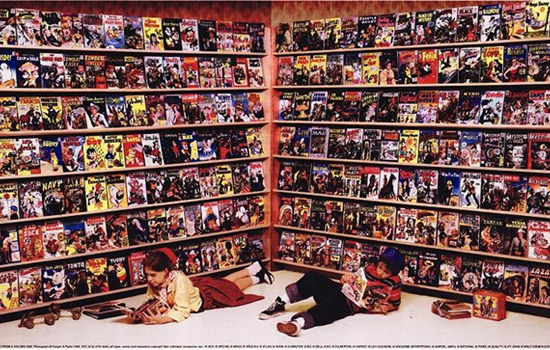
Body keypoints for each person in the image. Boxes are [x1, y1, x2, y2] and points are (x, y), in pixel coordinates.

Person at [259, 247, 404, 337]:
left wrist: (388, 307)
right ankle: (281, 302)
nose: (380, 272)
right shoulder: (369, 269)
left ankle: (297, 324)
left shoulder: (395, 282)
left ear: (394, 273)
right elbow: (353, 279)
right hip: (342, 291)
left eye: (386, 271)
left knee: (329, 309)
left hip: (349, 306)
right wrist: (345, 279)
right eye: (380, 267)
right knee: (313, 277)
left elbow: (394, 303)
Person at [126, 248, 273, 324]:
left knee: (231, 289)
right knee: (225, 283)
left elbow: (183, 310)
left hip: (205, 298)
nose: (149, 279)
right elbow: (151, 301)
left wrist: (164, 319)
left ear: (165, 271)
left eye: (152, 275)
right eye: (147, 275)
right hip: (195, 288)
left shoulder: (179, 281)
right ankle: (255, 270)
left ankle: (256, 277)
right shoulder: (156, 281)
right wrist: (139, 313)